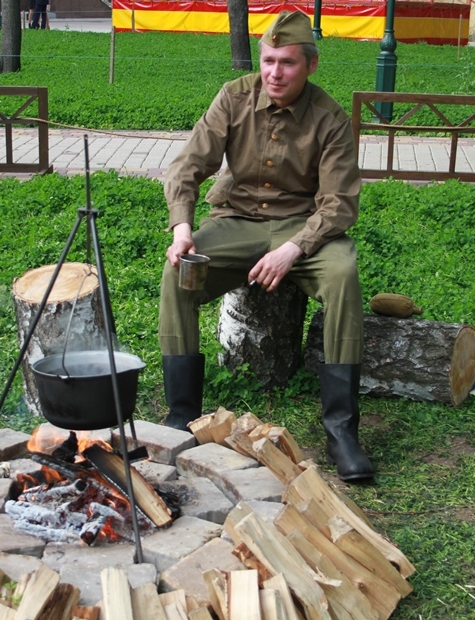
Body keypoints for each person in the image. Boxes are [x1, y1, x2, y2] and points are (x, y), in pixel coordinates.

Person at [158, 10, 373, 482]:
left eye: (288, 63)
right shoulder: (234, 98)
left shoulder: (330, 118)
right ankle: (181, 419)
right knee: (178, 275)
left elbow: (339, 203)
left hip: (305, 227)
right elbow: (186, 166)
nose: (275, 73)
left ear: (310, 65)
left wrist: (294, 249)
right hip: (236, 221)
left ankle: (341, 430)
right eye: (269, 60)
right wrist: (182, 228)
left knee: (342, 276)